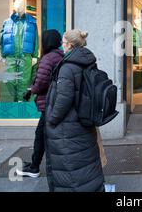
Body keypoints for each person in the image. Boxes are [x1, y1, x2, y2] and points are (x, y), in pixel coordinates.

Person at [44, 29, 104, 192]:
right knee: (86, 162)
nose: (61, 46)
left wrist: (52, 120)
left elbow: (63, 99)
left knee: (71, 166)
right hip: (83, 121)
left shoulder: (67, 68)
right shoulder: (87, 61)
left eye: (63, 43)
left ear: (69, 45)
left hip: (67, 127)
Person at [15, 29, 63, 178]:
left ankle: (34, 167)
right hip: (55, 101)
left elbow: (41, 82)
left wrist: (31, 90)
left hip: (48, 102)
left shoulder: (48, 59)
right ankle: (35, 164)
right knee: (44, 135)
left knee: (41, 136)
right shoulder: (60, 56)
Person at [0, 0, 39, 102]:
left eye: (21, 4)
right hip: (10, 55)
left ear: (25, 5)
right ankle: (14, 102)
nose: (18, 6)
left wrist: (34, 55)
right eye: (16, 4)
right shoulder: (7, 22)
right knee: (10, 79)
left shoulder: (32, 21)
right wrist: (3, 55)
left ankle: (22, 103)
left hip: (26, 55)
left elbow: (35, 39)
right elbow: (2, 40)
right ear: (13, 6)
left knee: (24, 81)